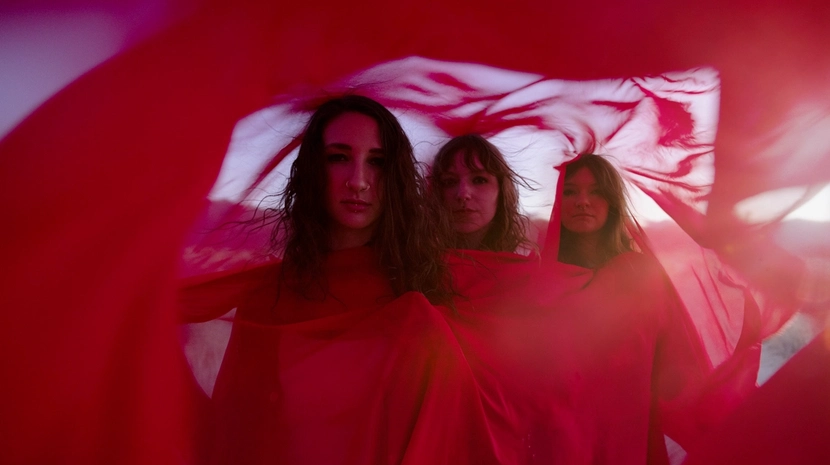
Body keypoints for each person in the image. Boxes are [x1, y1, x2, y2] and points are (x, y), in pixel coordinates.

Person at [180, 95, 496, 465]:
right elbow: (238, 433)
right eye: (338, 157)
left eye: (377, 162)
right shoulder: (270, 298)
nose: (358, 181)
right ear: (314, 169)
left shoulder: (418, 310)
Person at [431, 134, 533, 252]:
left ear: (502, 190)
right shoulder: (418, 258)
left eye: (479, 180)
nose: (463, 194)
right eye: (449, 181)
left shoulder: (525, 259)